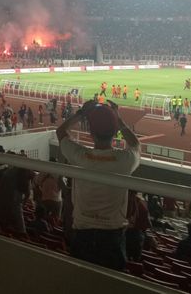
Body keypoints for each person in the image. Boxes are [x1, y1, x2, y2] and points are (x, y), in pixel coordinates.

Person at [56, 100, 140, 271]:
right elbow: (136, 145)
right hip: (113, 238)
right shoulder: (125, 161)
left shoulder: (79, 156)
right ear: (115, 131)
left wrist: (80, 114)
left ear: (91, 132)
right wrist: (119, 120)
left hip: (82, 235)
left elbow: (61, 132)